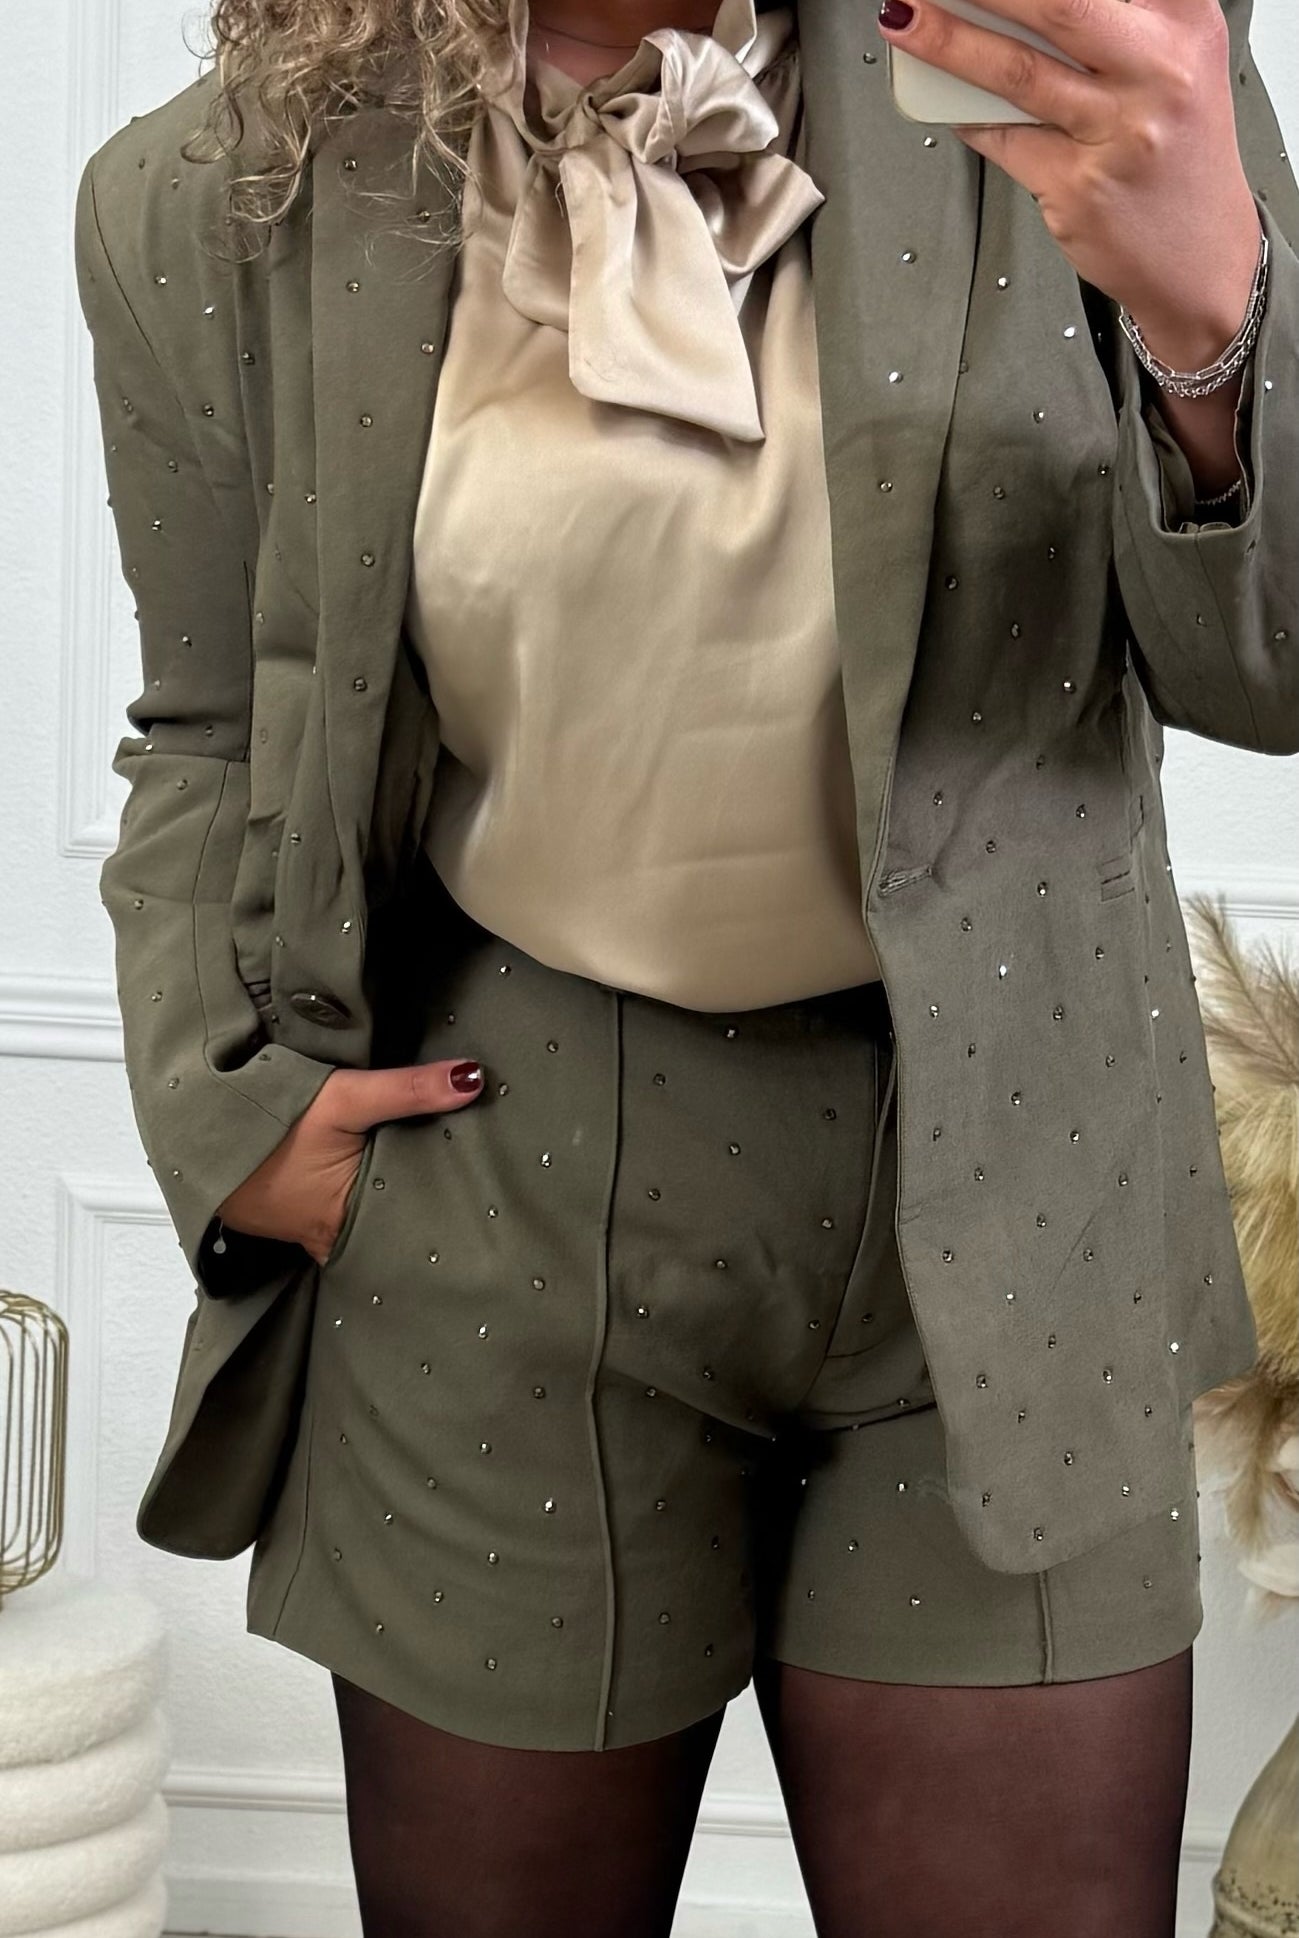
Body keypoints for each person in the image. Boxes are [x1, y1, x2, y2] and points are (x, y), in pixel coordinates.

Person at [73, 0, 1299, 1929]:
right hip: (504, 1178)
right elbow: (211, 722)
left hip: (1016, 1172)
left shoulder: (1066, 51)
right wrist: (228, 1110)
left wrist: (1210, 321)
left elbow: (1269, 669)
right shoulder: (216, 187)